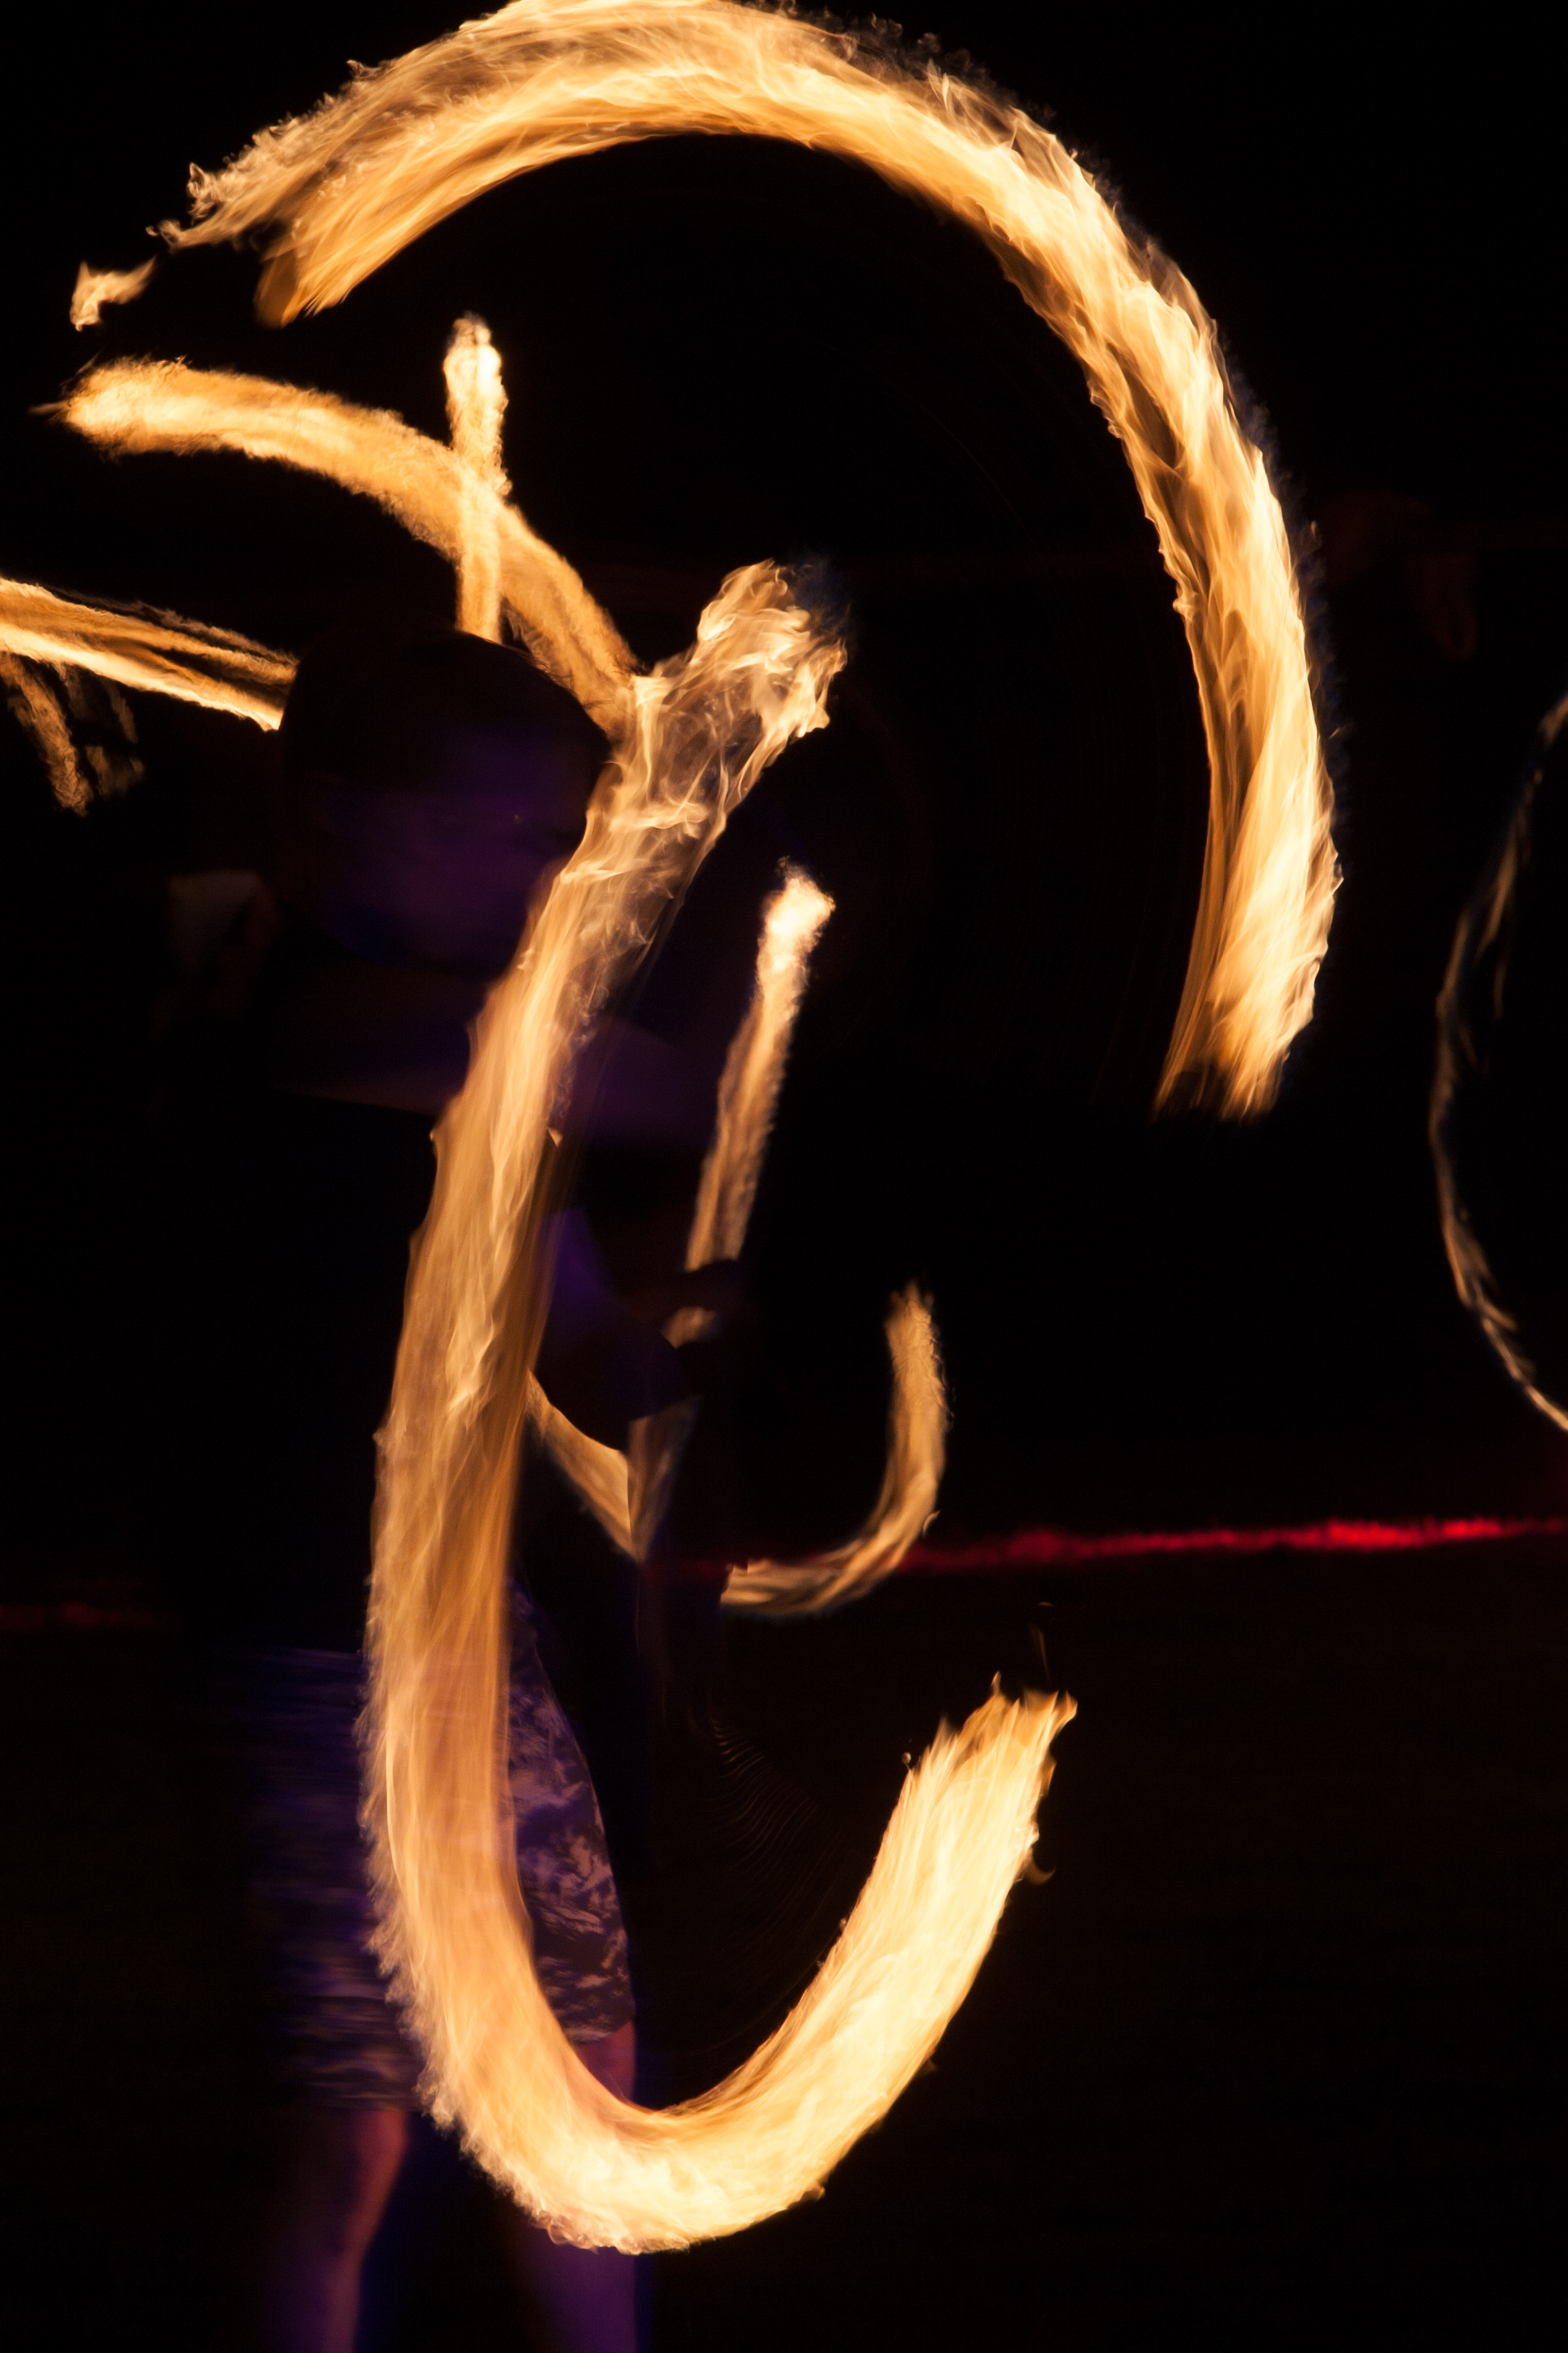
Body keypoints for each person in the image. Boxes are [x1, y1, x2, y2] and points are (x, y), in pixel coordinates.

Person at [162, 625, 754, 2353]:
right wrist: (749, 885)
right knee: (354, 2129)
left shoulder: (458, 1042)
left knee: (581, 2079)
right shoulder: (288, 1005)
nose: (535, 875)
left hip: (470, 1645)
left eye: (550, 840)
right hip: (310, 1656)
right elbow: (619, 1074)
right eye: (494, 830)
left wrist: (681, 1356)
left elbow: (579, 1332)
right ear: (345, 816)